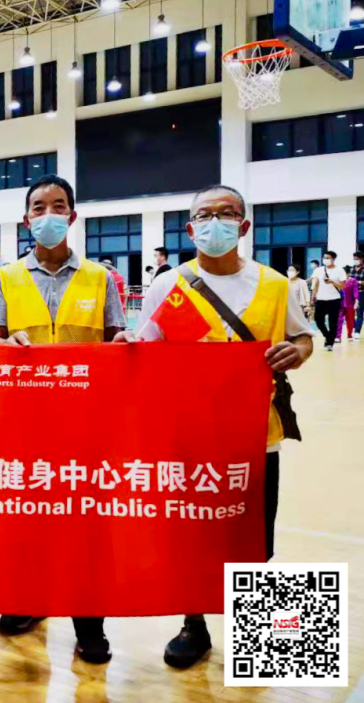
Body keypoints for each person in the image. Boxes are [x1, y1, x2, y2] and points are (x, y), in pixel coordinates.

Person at [117, 184, 313, 669]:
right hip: (189, 435)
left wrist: (297, 352)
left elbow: (303, 337)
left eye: (226, 213)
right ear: (190, 229)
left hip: (256, 436)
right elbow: (145, 348)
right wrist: (124, 347)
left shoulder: (275, 285)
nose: (214, 222)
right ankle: (193, 624)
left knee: (256, 535)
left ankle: (265, 636)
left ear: (243, 226)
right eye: (204, 215)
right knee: (192, 535)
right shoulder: (169, 284)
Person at [0, 174, 126, 663]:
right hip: (23, 421)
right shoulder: (5, 277)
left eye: (58, 205)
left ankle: (90, 623)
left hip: (85, 422)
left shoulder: (100, 277)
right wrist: (7, 344)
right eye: (39, 207)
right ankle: (30, 601)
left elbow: (115, 340)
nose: (49, 214)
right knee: (27, 520)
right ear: (27, 219)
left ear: (73, 215)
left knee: (87, 527)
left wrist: (122, 346)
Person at [310, 250, 344, 351]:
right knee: (318, 319)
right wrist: (313, 296)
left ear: (333, 259)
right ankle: (327, 335)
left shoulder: (340, 270)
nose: (325, 259)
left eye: (327, 258)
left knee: (333, 322)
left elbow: (343, 286)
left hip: (334, 299)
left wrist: (332, 282)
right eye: (324, 257)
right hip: (321, 299)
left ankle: (330, 343)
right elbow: (316, 284)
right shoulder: (318, 270)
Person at [336, 265, 359, 342]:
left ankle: (349, 334)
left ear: (348, 273)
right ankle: (338, 336)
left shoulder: (353, 281)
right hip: (340, 303)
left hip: (350, 303)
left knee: (350, 320)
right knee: (339, 320)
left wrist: (356, 301)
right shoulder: (339, 281)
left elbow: (355, 292)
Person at [350, 251, 364, 338]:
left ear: (361, 259)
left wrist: (358, 282)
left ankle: (357, 331)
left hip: (361, 293)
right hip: (351, 293)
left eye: (357, 259)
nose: (355, 261)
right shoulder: (351, 269)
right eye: (354, 259)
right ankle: (354, 327)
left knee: (359, 313)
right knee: (350, 312)